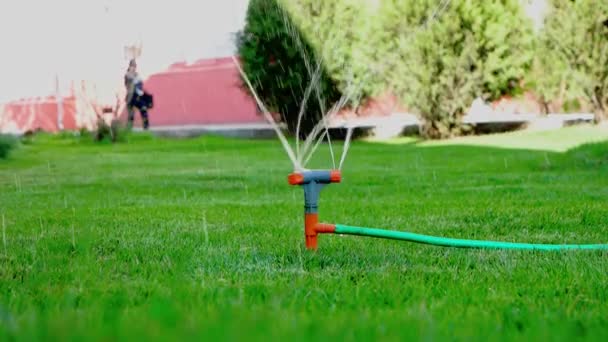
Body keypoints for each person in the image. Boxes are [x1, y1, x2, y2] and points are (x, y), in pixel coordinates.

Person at [124, 59, 151, 129]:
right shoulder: (127, 74)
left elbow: (140, 83)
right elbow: (129, 81)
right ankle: (129, 129)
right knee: (131, 114)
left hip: (138, 95)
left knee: (143, 108)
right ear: (130, 66)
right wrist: (134, 76)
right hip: (131, 96)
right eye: (132, 65)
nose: (134, 67)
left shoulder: (137, 74)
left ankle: (146, 126)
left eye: (134, 66)